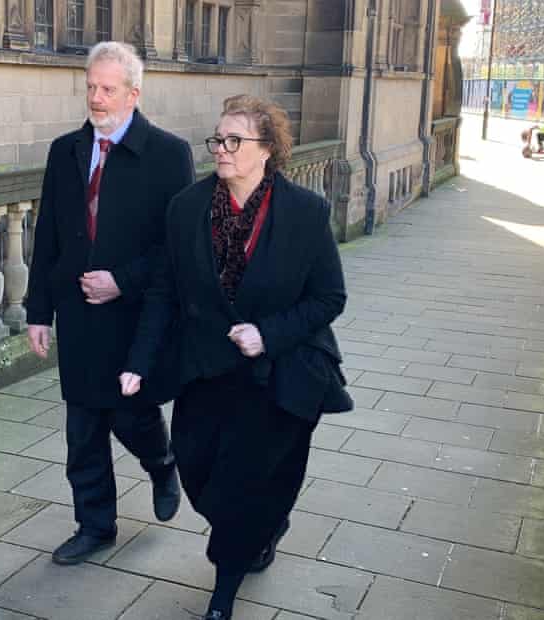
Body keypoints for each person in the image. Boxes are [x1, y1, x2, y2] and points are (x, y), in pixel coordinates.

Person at [120, 94, 352, 620]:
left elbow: (329, 298)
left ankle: (224, 591)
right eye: (217, 139)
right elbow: (164, 293)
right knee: (199, 471)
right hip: (204, 369)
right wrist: (138, 361)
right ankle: (264, 528)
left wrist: (267, 334)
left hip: (279, 376)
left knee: (247, 486)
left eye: (234, 141)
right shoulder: (187, 209)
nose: (220, 150)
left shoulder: (306, 213)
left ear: (267, 149)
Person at [25, 41, 196, 566]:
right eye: (90, 87)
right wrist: (38, 312)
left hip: (135, 315)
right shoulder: (65, 150)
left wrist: (122, 280)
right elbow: (48, 234)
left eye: (108, 89)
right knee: (83, 430)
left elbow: (177, 248)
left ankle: (162, 462)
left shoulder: (169, 154)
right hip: (78, 314)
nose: (96, 98)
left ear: (133, 93)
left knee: (132, 418)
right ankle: (94, 525)